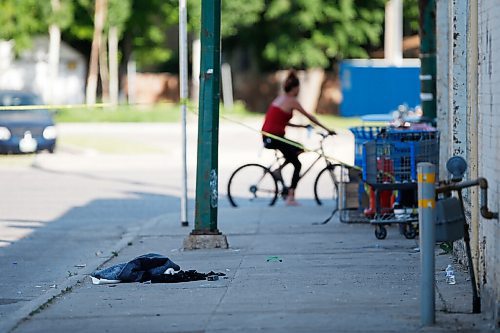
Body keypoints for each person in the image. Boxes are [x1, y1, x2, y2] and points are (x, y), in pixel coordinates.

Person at [261, 70, 336, 206]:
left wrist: (300, 127)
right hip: (274, 137)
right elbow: (310, 116)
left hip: (270, 136)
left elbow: (280, 121)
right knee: (297, 164)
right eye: (298, 88)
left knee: (299, 149)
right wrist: (327, 129)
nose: (299, 91)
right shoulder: (291, 101)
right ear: (294, 88)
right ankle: (290, 197)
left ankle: (279, 170)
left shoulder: (280, 98)